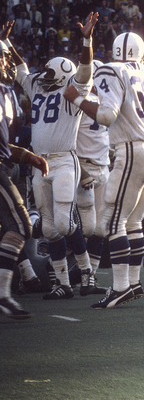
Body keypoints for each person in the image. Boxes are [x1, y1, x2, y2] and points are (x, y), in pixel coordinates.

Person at [64, 31, 144, 307]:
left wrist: (76, 99)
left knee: (112, 222)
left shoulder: (112, 69)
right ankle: (133, 283)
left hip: (132, 150)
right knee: (133, 221)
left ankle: (121, 287)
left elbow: (107, 116)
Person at [11, 12, 98, 300]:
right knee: (48, 228)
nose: (45, 77)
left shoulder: (72, 90)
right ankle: (63, 283)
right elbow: (20, 69)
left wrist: (87, 39)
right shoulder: (37, 84)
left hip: (63, 160)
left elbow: (85, 69)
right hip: (40, 162)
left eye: (51, 74)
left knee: (63, 222)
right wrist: (5, 44)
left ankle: (87, 274)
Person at [0, 29, 49, 319]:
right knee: (20, 225)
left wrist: (27, 156)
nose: (6, 65)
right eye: (3, 60)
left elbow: (5, 146)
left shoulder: (6, 93)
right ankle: (3, 295)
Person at [75, 58, 110, 294]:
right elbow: (66, 139)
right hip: (83, 167)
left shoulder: (105, 102)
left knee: (101, 229)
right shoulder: (78, 103)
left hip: (103, 166)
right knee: (82, 227)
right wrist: (79, 167)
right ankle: (64, 270)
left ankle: (91, 277)